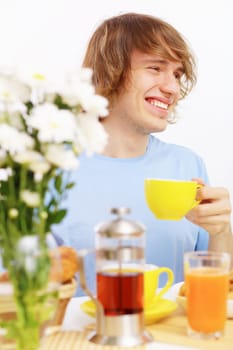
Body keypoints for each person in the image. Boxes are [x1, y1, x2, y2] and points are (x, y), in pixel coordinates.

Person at [55, 12, 233, 295]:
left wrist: (221, 232)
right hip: (86, 337)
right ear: (109, 72)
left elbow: (218, 288)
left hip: (175, 338)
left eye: (177, 74)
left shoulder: (187, 164)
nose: (172, 88)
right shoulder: (50, 169)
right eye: (155, 68)